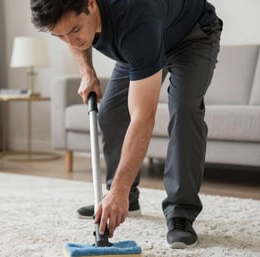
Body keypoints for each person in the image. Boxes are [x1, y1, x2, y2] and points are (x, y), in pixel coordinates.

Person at [30, 0, 222, 249]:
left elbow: (143, 115)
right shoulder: (76, 22)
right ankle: (125, 198)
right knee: (110, 112)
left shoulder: (135, 19)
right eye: (60, 36)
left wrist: (117, 189)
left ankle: (180, 213)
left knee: (185, 111)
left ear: (91, 4)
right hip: (145, 39)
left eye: (76, 30)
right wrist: (87, 71)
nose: (70, 41)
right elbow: (69, 32)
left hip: (192, 34)